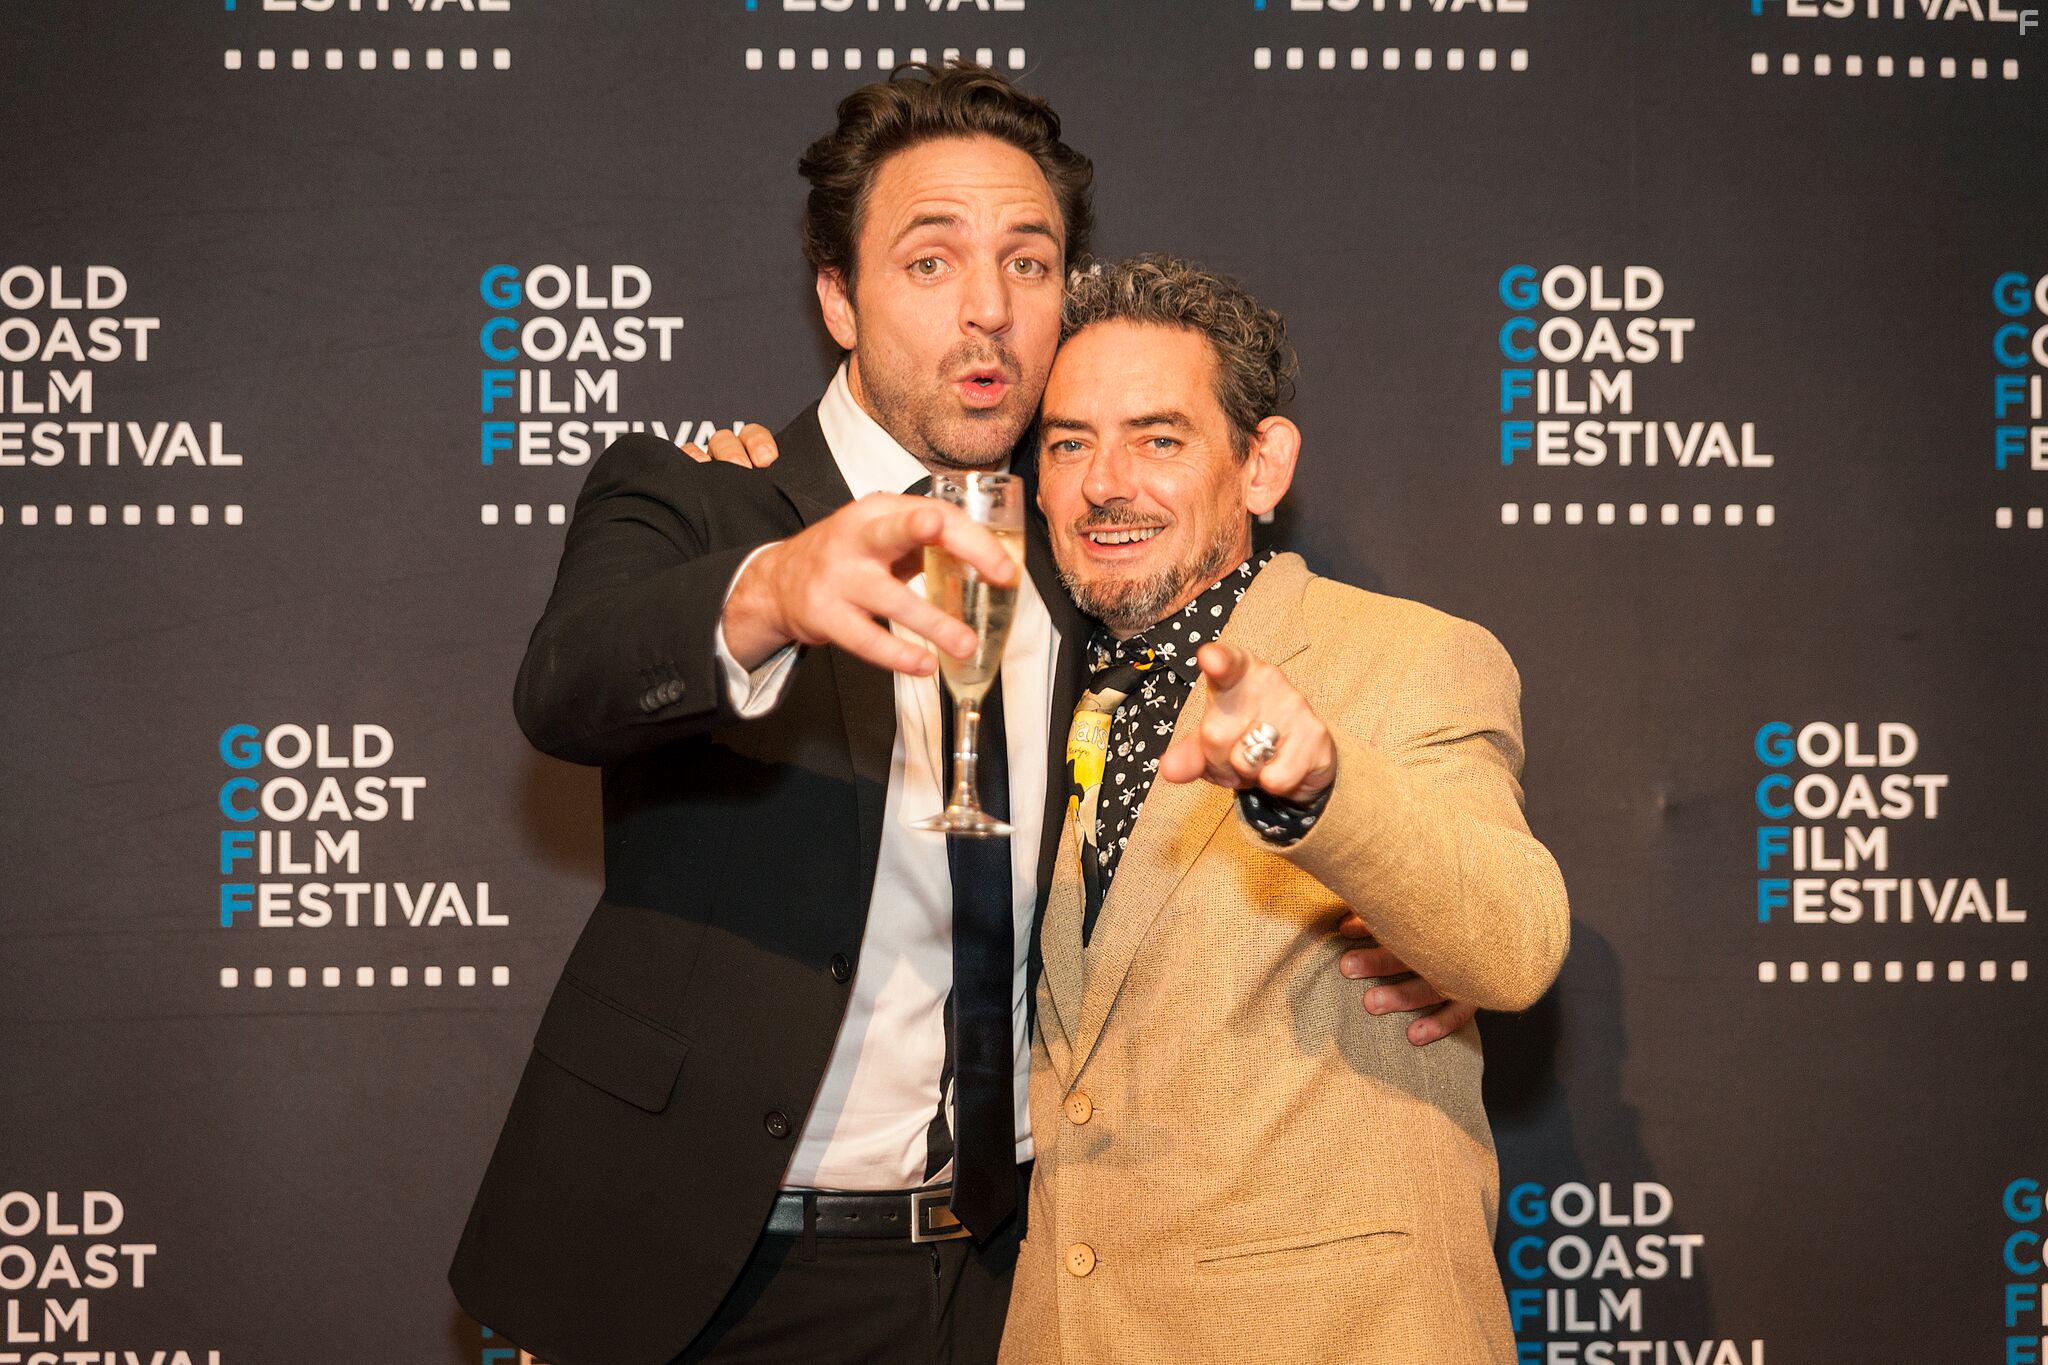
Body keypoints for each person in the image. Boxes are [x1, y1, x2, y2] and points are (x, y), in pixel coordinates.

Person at [451, 63, 1468, 1365]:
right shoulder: (703, 506)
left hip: (1022, 1280)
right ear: (837, 294)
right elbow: (569, 681)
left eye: (1030, 264)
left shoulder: (1090, 555)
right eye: (931, 263)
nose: (988, 311)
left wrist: (1405, 923)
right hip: (707, 1276)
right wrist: (767, 592)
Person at [992, 254, 1572, 1364]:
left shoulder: (1407, 658)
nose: (1102, 482)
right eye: (1067, 443)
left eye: (1157, 439)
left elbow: (1513, 942)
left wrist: (1316, 789)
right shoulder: (1014, 678)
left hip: (1329, 1335)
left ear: (1261, 466)